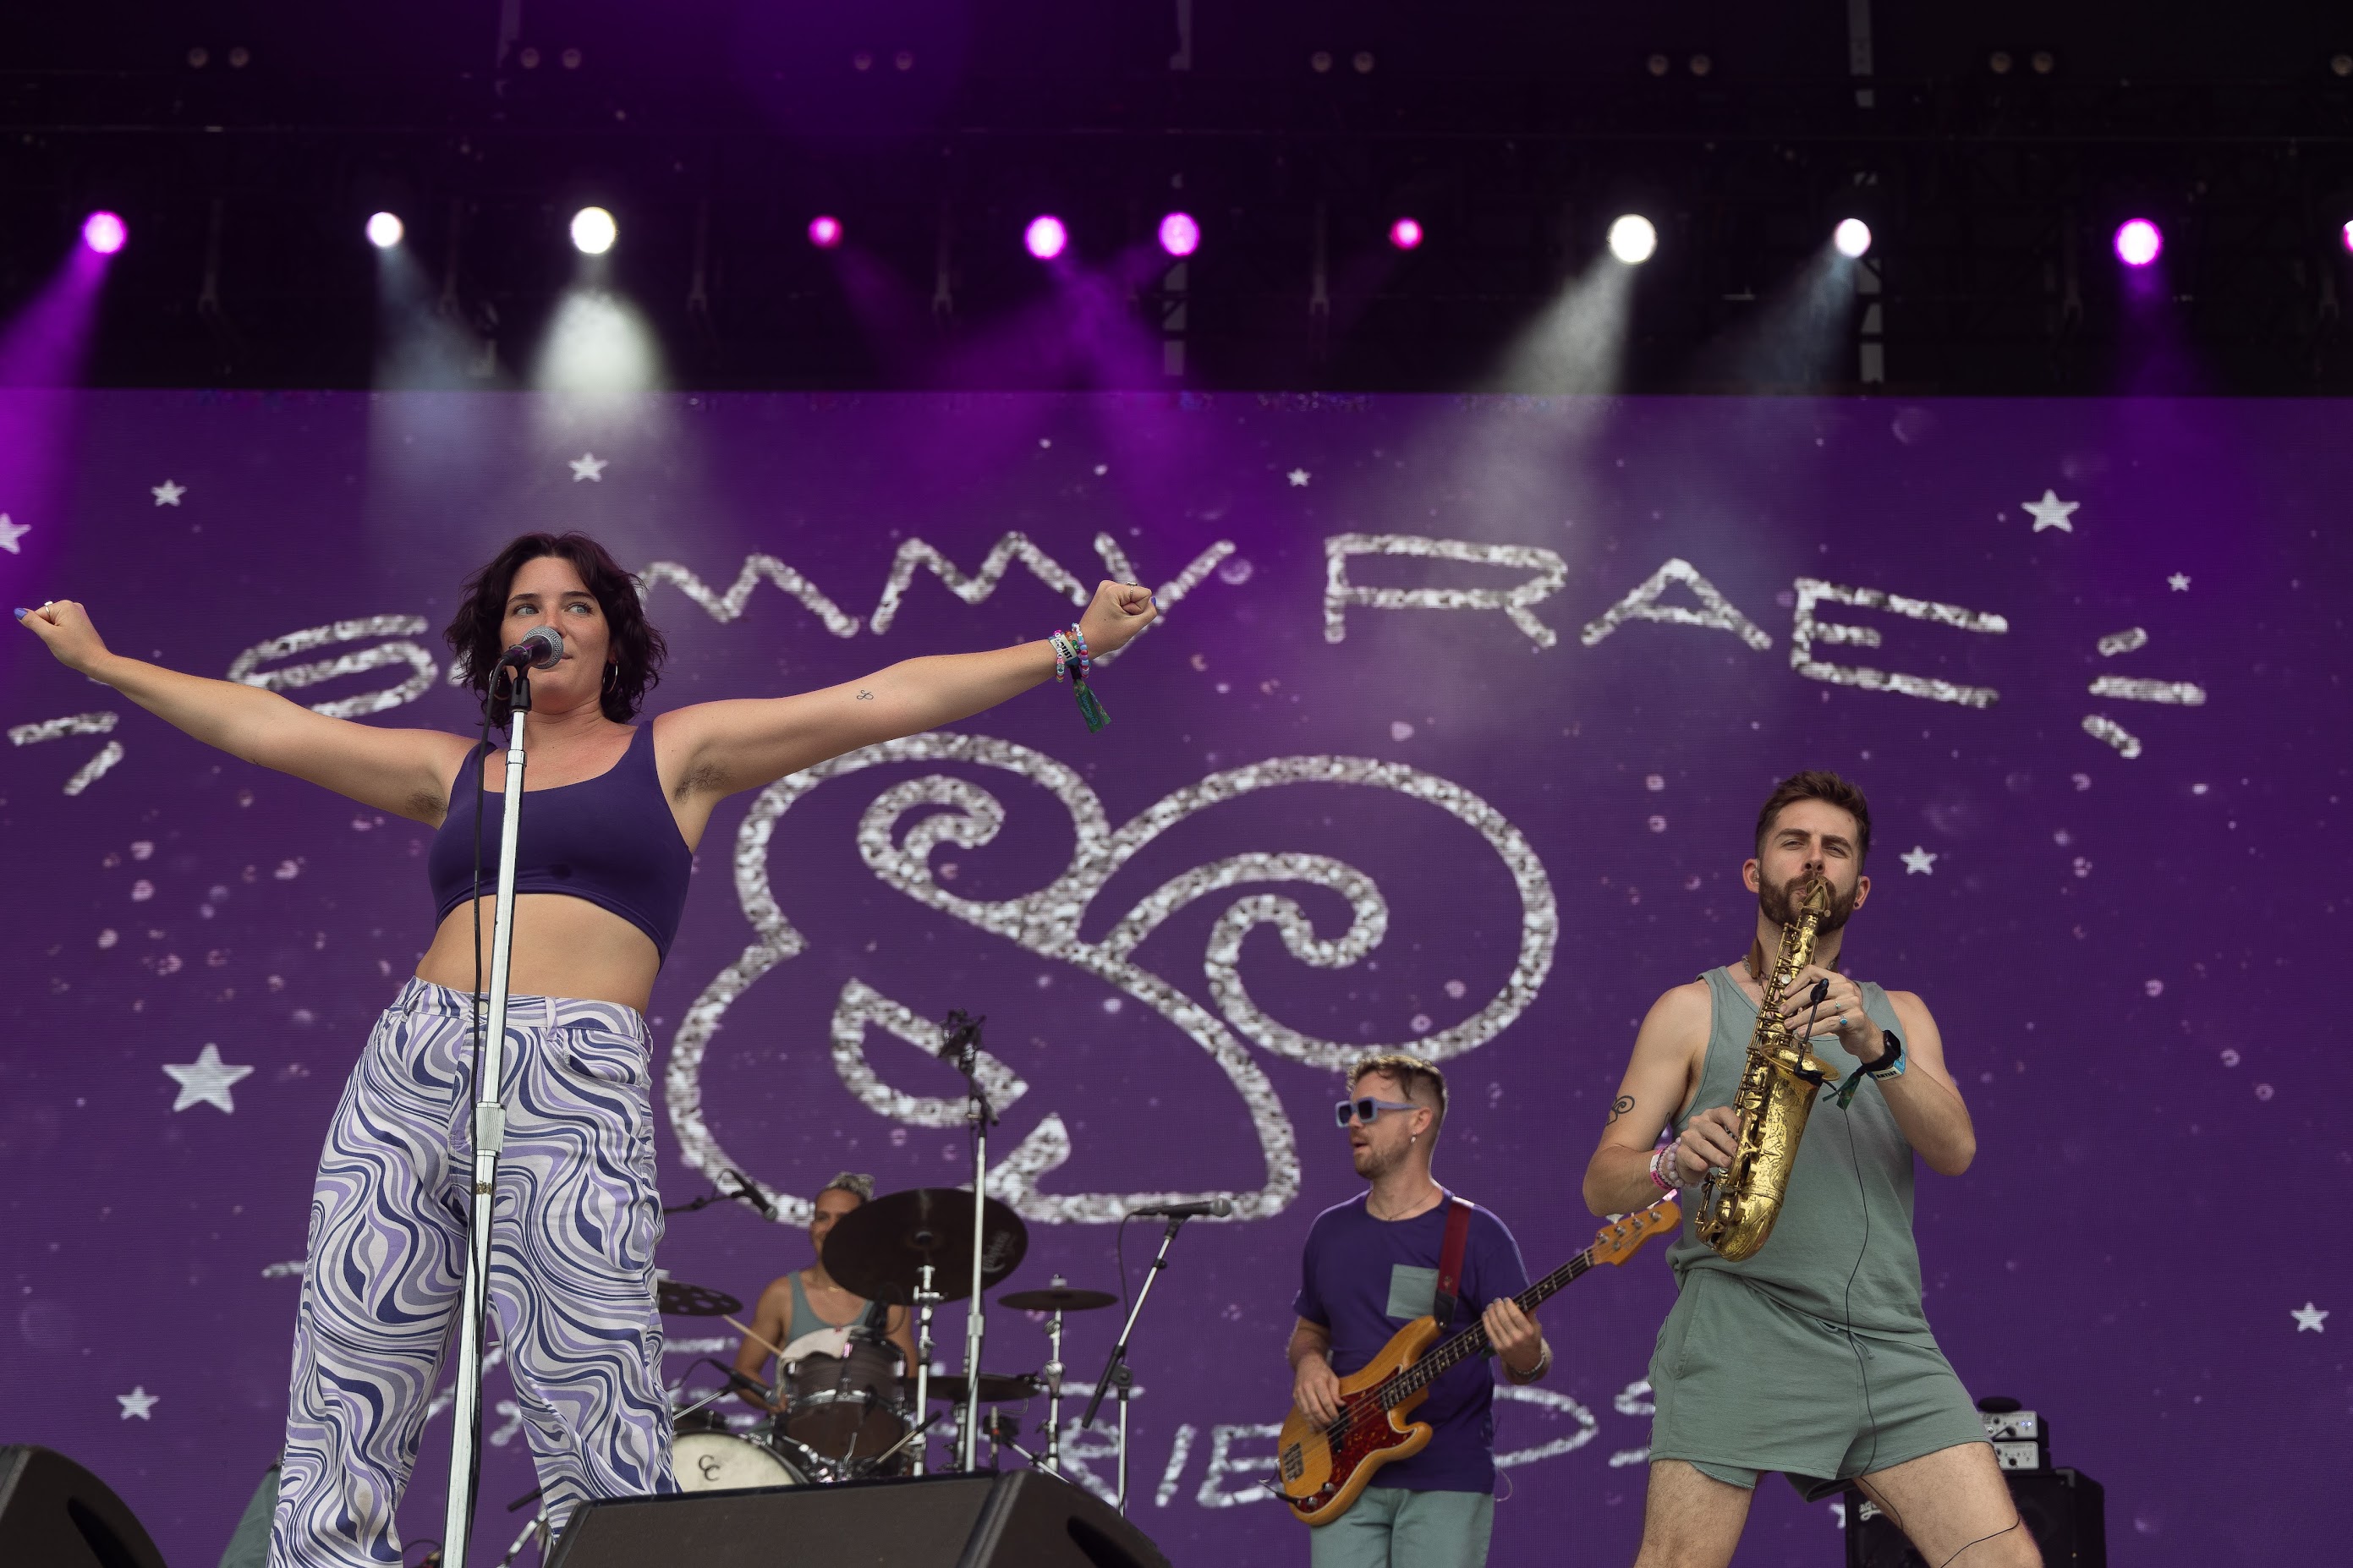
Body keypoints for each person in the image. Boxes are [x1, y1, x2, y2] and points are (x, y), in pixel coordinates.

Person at [13, 537, 1155, 1567]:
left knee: (589, 1386)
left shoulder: (676, 754)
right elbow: (270, 726)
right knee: (350, 1380)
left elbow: (875, 697)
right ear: (495, 638)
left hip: (571, 1070)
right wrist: (107, 664)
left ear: (610, 634)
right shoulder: (451, 770)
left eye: (570, 603)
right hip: (417, 1058)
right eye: (521, 605)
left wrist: (1066, 645)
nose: (542, 620)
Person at [1582, 770, 2037, 1568]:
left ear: (1860, 891)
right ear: (1756, 873)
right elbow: (1601, 1183)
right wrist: (1670, 1158)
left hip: (1888, 1338)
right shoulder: (1689, 1011)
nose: (1814, 862)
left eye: (1836, 849)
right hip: (1738, 1326)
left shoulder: (1902, 1014)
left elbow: (1956, 1151)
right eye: (1795, 843)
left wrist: (1874, 1048)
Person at [1286, 1052, 1550, 1568]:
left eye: (1367, 1109)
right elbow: (1308, 1331)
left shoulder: (1478, 1235)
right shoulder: (1329, 1232)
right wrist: (1310, 1364)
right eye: (1348, 1111)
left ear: (1418, 1121)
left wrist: (1524, 1352)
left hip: (1445, 1477)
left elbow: (1529, 1366)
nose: (1353, 1123)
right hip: (1338, 1471)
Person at [728, 1171, 919, 1412]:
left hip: (867, 1434)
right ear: (811, 1228)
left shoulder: (888, 1297)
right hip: (790, 1438)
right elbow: (744, 1371)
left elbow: (909, 1381)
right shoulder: (782, 1293)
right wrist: (772, 1399)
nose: (830, 1228)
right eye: (822, 1218)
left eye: (843, 1218)